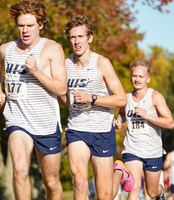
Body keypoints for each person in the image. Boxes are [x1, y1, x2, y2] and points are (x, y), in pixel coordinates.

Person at [0, 1, 67, 199]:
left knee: (51, 182)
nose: (24, 30)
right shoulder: (6, 49)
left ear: (40, 25)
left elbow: (61, 88)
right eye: (20, 25)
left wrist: (36, 71)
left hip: (46, 122)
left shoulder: (52, 49)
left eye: (30, 25)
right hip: (18, 119)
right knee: (20, 169)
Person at [58, 15, 127, 200]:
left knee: (104, 195)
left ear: (90, 38)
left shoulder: (102, 63)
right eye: (72, 37)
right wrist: (59, 94)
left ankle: (119, 172)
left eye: (80, 36)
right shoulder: (65, 65)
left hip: (102, 131)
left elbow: (121, 99)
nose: (76, 41)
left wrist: (92, 98)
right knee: (79, 181)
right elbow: (64, 102)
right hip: (76, 129)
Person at [114, 59, 174, 200]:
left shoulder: (155, 97)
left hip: (152, 151)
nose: (137, 79)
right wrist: (119, 120)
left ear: (148, 79)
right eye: (134, 76)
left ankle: (161, 194)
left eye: (140, 77)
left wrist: (147, 115)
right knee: (134, 187)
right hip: (132, 149)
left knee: (152, 192)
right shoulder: (126, 98)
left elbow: (170, 122)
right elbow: (122, 113)